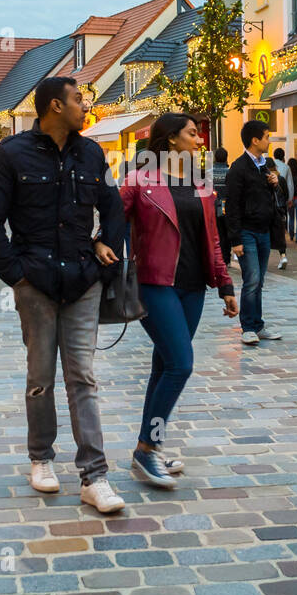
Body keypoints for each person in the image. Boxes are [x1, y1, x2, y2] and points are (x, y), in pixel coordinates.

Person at [0, 76, 128, 514]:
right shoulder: (11, 154)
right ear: (55, 107)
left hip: (83, 280)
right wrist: (16, 275)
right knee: (40, 377)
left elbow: (113, 206)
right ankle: (41, 458)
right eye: (79, 99)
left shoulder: (91, 152)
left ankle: (94, 476)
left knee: (82, 377)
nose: (86, 105)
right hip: (36, 283)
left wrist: (106, 244)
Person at [119, 114, 237, 488]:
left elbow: (212, 239)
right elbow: (108, 222)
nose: (200, 140)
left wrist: (225, 284)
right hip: (155, 283)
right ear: (170, 140)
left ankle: (150, 449)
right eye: (192, 134)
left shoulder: (199, 183)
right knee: (181, 364)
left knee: (164, 366)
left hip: (192, 287)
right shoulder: (140, 180)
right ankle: (144, 449)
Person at [224, 119, 284, 345]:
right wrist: (235, 239)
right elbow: (232, 206)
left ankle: (257, 324)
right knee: (252, 279)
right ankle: (248, 326)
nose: (270, 140)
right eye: (267, 136)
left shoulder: (264, 165)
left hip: (264, 231)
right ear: (255, 140)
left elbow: (269, 197)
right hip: (247, 232)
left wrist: (274, 183)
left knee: (259, 281)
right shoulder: (239, 168)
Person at [211, 147, 232, 265]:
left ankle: (217, 258)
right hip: (228, 207)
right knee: (227, 234)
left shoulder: (210, 173)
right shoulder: (230, 172)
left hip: (213, 207)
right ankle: (226, 259)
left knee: (216, 234)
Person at [272, 147, 291, 268]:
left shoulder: (263, 178)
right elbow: (287, 193)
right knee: (280, 235)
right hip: (280, 210)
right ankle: (283, 256)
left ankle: (259, 259)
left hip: (266, 211)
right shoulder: (281, 178)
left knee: (263, 235)